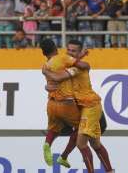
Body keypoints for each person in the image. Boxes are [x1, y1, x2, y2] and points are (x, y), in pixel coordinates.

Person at [43, 40, 113, 173]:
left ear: (79, 52)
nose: (70, 53)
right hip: (80, 106)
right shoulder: (68, 63)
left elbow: (58, 78)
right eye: (68, 50)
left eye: (73, 51)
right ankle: (109, 171)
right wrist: (47, 86)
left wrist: (45, 72)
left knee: (81, 144)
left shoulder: (77, 68)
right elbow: (54, 83)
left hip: (90, 106)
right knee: (96, 144)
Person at [40, 38, 90, 166]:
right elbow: (80, 65)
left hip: (51, 103)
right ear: (56, 48)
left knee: (53, 129)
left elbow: (50, 83)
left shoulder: (46, 65)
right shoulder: (62, 58)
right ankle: (64, 156)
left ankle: (47, 144)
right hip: (65, 103)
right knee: (82, 128)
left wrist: (82, 55)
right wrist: (84, 61)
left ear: (43, 53)